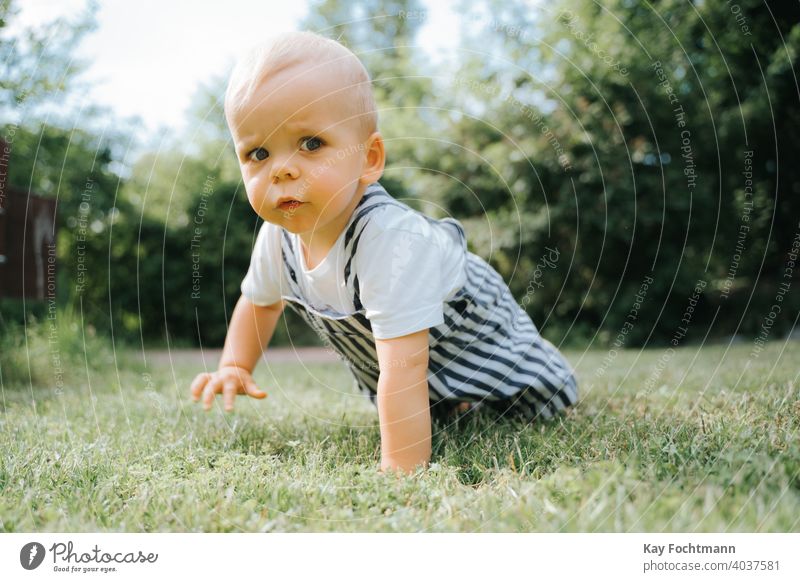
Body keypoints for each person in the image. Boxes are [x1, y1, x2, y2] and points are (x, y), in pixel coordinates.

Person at [189, 31, 578, 475]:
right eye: (258, 152)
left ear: (369, 157)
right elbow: (260, 304)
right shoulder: (276, 240)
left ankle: (522, 391)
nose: (282, 168)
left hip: (475, 331)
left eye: (311, 143)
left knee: (535, 403)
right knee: (444, 411)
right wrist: (236, 365)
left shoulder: (389, 242)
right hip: (417, 360)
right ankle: (451, 405)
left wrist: (401, 468)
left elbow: (404, 369)